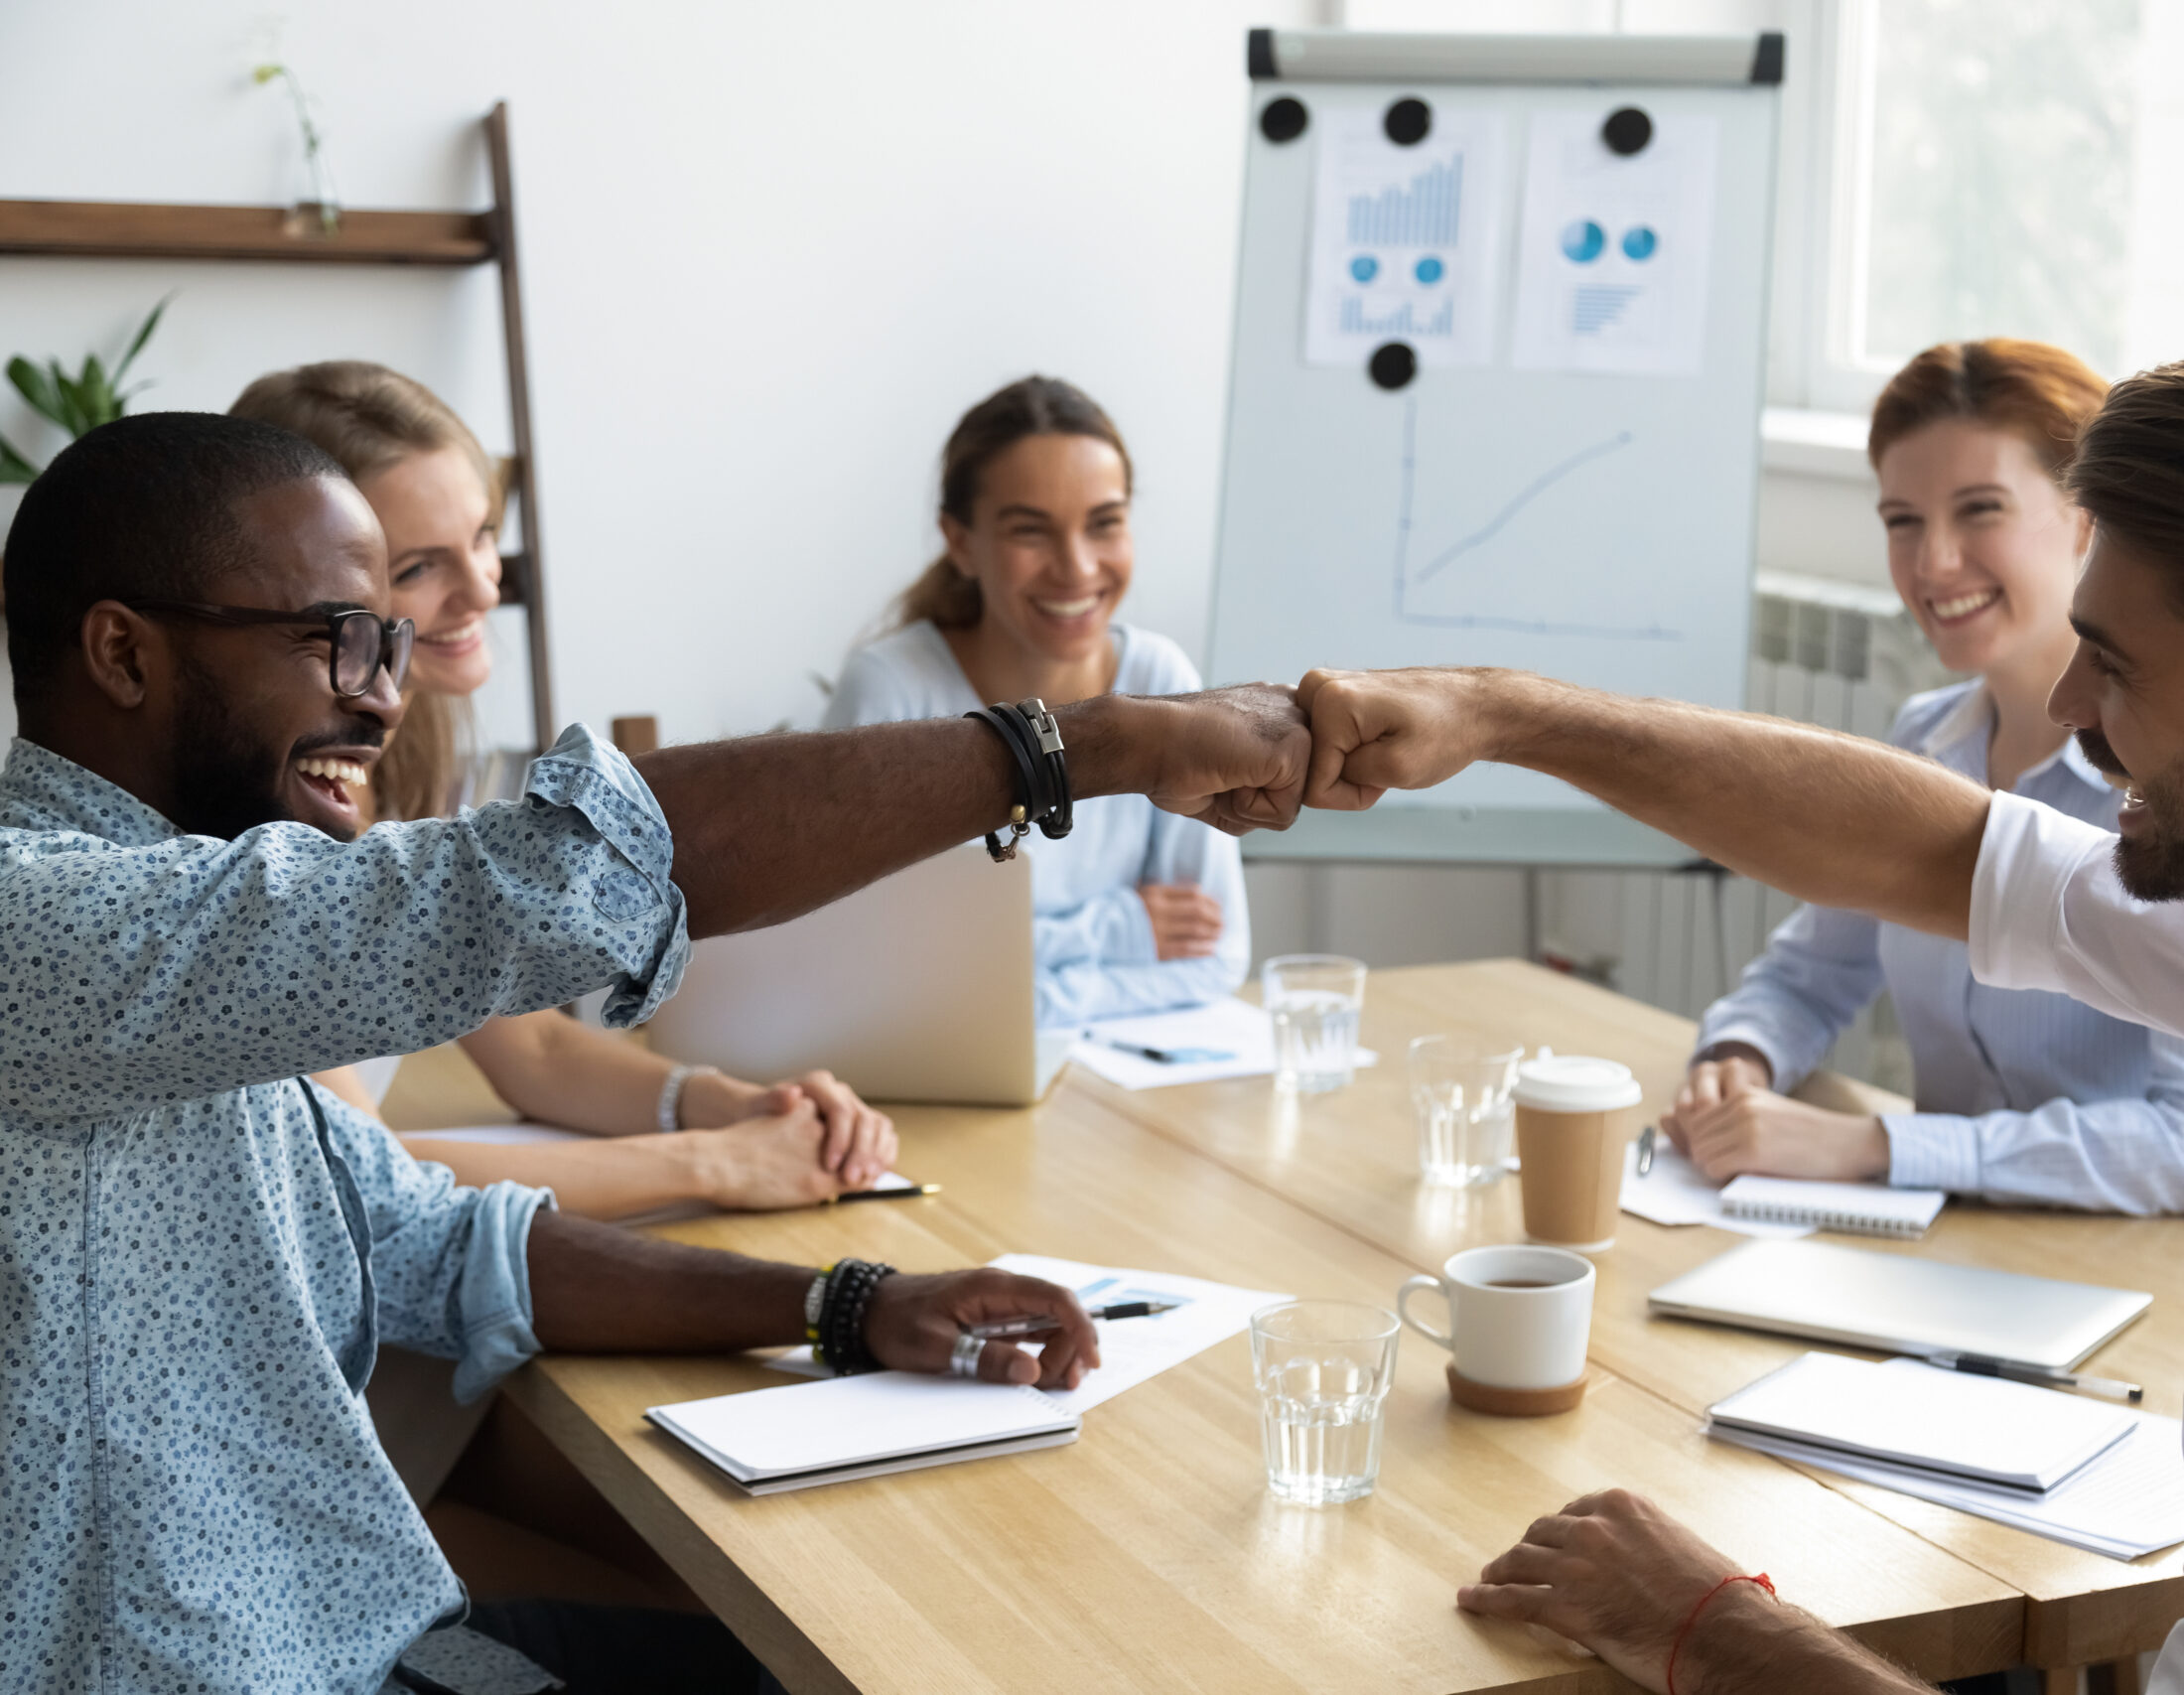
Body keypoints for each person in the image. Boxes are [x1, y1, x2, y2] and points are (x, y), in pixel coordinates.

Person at [1297, 335, 2184, 1691]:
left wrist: (1711, 1625)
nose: (2070, 706)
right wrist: (1500, 714)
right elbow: (1940, 851)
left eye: (2115, 667)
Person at [0, 410, 1308, 1690]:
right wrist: (1089, 743)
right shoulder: (40, 924)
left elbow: (438, 1240)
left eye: (389, 641)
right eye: (338, 641)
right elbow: (546, 882)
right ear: (124, 652)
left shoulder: (179, 950)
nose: (383, 694)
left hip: (367, 1635)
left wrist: (851, 1302)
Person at [228, 359, 890, 1222]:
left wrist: (725, 1103)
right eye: (421, 566)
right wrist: (713, 1164)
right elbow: (349, 1175)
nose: (482, 588)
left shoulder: (396, 762)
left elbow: (533, 1046)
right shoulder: (259, 818)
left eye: (482, 534)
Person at [1667, 340, 2184, 1215]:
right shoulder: (1922, 740)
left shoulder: (2173, 792)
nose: (1932, 562)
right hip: (1937, 1246)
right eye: (1902, 519)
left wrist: (1876, 1144)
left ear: (2089, 521)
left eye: (1979, 510)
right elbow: (1813, 971)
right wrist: (1737, 1059)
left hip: (2111, 1271)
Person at [821, 376, 1248, 1027]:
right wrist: (1118, 932)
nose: (1076, 568)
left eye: (1104, 524)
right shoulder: (892, 688)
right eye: (1031, 532)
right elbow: (869, 964)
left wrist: (1016, 985)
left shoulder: (1162, 676)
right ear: (960, 543)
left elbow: (1214, 955)